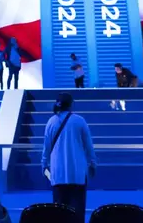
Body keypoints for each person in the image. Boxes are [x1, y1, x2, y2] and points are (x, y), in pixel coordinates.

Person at [41, 93, 96, 223]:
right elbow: (89, 146)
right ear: (71, 104)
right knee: (77, 213)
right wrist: (93, 164)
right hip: (78, 174)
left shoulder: (51, 121)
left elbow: (46, 148)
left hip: (57, 174)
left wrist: (44, 165)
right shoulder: (79, 120)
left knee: (59, 213)